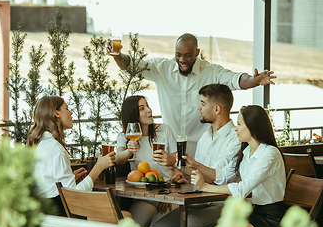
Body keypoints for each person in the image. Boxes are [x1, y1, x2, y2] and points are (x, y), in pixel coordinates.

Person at [109, 33, 277, 157]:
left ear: (197, 53)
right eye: (178, 54)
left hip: (202, 153)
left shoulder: (210, 71)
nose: (182, 59)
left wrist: (254, 80)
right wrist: (117, 55)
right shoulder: (162, 68)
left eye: (187, 55)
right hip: (171, 155)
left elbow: (235, 80)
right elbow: (132, 66)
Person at [153, 105, 286, 227]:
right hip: (251, 212)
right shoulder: (245, 151)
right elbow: (222, 175)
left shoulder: (270, 153)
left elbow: (242, 188)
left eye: (239, 124)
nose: (235, 129)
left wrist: (205, 186)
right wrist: (192, 164)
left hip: (270, 217)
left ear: (252, 127)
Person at [27, 96, 116, 217]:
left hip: (48, 216)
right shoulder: (56, 148)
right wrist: (99, 167)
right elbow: (75, 196)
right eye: (67, 108)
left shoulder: (41, 144)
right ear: (56, 113)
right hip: (65, 218)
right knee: (126, 216)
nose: (71, 112)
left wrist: (70, 178)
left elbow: (48, 185)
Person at [116, 95, 179, 227]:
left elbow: (177, 164)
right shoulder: (126, 136)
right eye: (142, 108)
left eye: (148, 106)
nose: (149, 110)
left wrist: (170, 195)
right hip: (143, 197)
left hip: (166, 195)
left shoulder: (164, 130)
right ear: (133, 114)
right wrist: (128, 151)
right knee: (130, 226)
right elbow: (118, 159)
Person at [170, 83, 241, 184]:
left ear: (217, 109)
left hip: (222, 199)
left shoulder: (237, 139)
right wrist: (186, 181)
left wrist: (174, 163)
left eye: (203, 104)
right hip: (199, 197)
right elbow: (199, 175)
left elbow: (216, 177)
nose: (199, 107)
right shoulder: (205, 137)